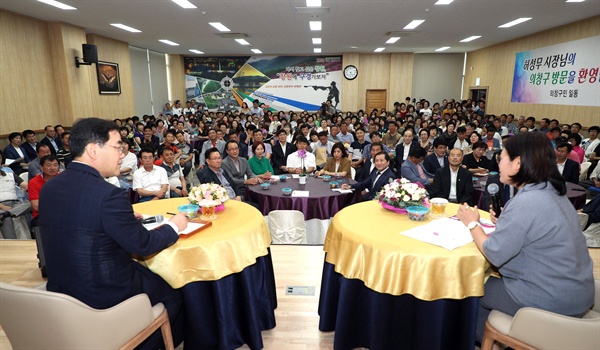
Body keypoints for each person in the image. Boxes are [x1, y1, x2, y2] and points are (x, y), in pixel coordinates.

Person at [39, 118, 187, 349]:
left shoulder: (50, 187)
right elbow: (143, 245)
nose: (123, 154)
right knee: (174, 293)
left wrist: (122, 220)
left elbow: (79, 223)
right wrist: (174, 226)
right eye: (118, 147)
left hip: (63, 287)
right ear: (92, 150)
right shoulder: (108, 195)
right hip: (104, 292)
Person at [455, 131, 594, 345]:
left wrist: (472, 223)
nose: (498, 163)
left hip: (549, 298)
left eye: (502, 158)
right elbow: (538, 234)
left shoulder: (527, 201)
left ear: (517, 163)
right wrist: (504, 223)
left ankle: (488, 341)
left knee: (469, 288)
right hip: (578, 291)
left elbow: (495, 253)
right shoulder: (553, 193)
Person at [28, 154, 60, 227]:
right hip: (42, 216)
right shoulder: (34, 182)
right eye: (49, 165)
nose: (52, 168)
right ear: (41, 167)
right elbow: (36, 206)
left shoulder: (65, 179)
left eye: (55, 165)